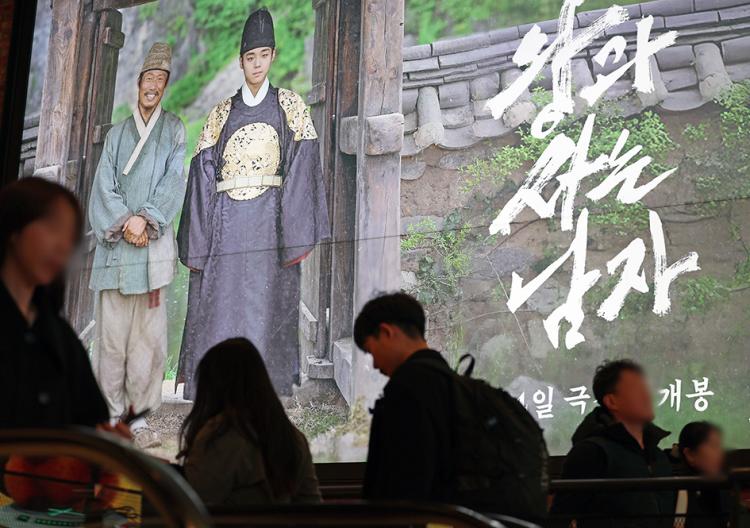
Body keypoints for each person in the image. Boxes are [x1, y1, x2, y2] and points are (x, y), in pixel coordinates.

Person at [177, 8, 330, 399]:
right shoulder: (220, 114)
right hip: (226, 224)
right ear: (240, 61)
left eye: (264, 55)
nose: (257, 63)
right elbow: (203, 174)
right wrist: (205, 233)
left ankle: (264, 390)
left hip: (271, 223)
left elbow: (302, 166)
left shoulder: (290, 106)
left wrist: (287, 225)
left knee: (266, 305)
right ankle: (219, 388)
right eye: (250, 57)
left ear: (273, 56)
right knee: (223, 305)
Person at [88, 42, 186, 448]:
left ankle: (139, 419)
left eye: (161, 79)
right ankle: (111, 417)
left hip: (151, 253)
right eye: (149, 77)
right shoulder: (117, 134)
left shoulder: (174, 129)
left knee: (147, 341)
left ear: (165, 86)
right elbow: (102, 186)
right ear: (139, 82)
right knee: (112, 340)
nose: (154, 85)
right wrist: (126, 221)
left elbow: (174, 181)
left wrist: (145, 218)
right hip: (116, 252)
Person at [0, 177, 115, 431]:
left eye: (70, 237)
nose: (63, 246)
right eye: (53, 228)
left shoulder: (59, 336)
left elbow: (92, 419)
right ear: (14, 227)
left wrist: (105, 439)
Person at [178, 337, 321, 506]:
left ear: (211, 388)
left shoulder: (216, 438)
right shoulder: (293, 438)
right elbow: (313, 507)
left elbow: (190, 505)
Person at [353, 293, 455, 503]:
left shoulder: (405, 391)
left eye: (371, 352)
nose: (375, 365)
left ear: (386, 332)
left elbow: (401, 485)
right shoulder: (455, 387)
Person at [551, 359, 675, 528]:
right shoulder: (592, 452)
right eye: (637, 390)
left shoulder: (657, 455)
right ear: (611, 401)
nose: (647, 396)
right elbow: (559, 518)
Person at [669, 422, 729, 528]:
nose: (720, 453)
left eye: (719, 446)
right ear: (690, 454)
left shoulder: (724, 492)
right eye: (713, 446)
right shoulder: (674, 496)